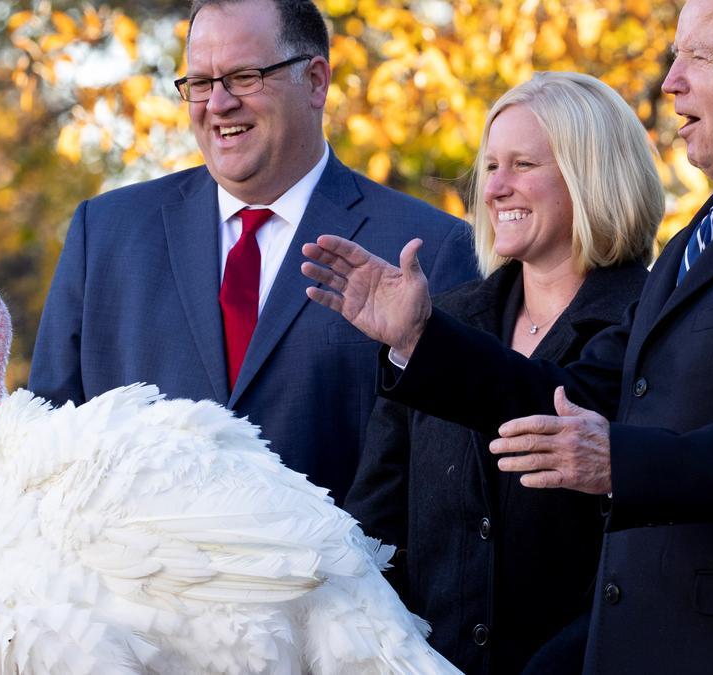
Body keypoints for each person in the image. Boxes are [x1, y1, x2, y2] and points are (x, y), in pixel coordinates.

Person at [302, 0, 713, 671]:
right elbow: (576, 394)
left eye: (699, 57)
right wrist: (421, 338)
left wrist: (623, 464)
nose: (671, 81)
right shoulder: (703, 236)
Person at [29, 0, 476, 500]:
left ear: (315, 82)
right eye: (200, 83)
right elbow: (45, 454)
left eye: (244, 77)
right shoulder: (106, 234)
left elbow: (450, 485)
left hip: (339, 576)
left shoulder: (429, 249)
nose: (218, 104)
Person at [343, 72, 663, 675]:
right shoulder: (445, 318)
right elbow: (375, 529)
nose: (495, 188)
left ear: (590, 173)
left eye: (521, 164)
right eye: (490, 167)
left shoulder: (654, 323)